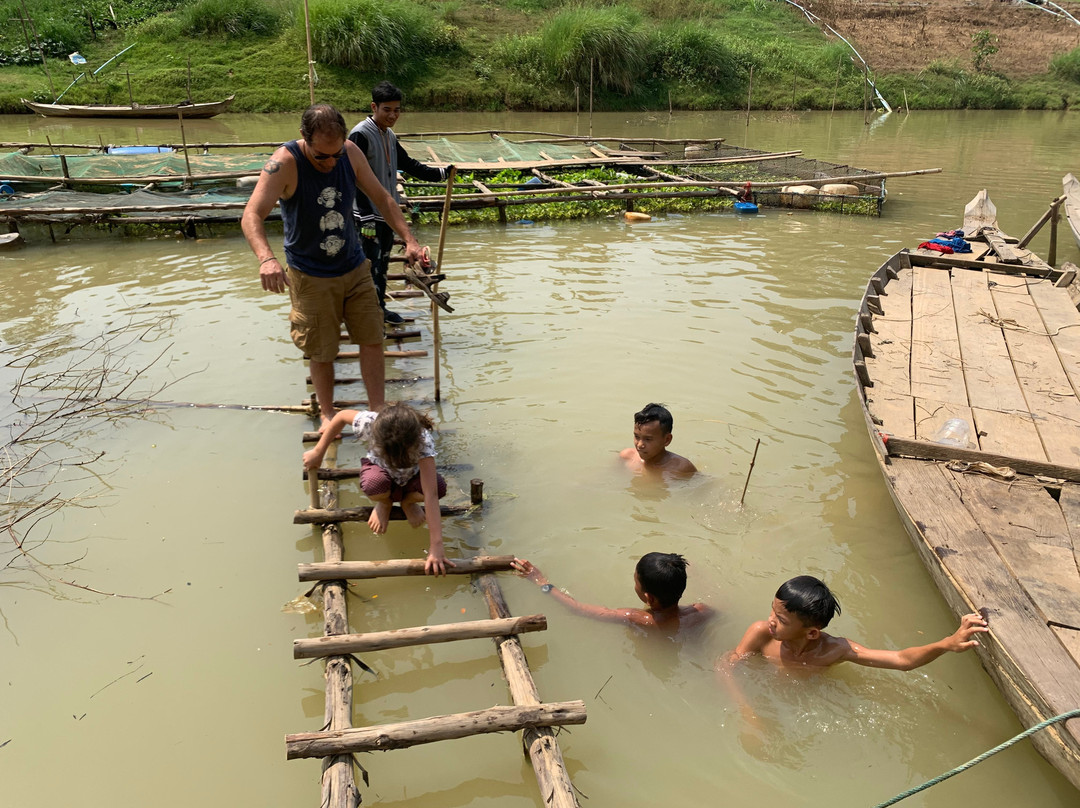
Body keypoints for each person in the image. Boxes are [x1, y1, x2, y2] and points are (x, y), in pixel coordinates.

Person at [241, 103, 426, 428]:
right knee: (322, 348)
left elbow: (383, 198)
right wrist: (267, 259)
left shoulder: (351, 153)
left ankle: (377, 408)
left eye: (335, 155)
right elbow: (251, 214)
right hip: (310, 274)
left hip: (354, 266)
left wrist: (409, 240)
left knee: (372, 336)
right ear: (304, 137)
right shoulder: (284, 162)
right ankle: (328, 413)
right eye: (321, 156)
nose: (329, 163)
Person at [303, 403, 454, 575]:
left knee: (439, 487)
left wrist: (436, 546)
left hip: (411, 477)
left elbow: (431, 494)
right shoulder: (371, 423)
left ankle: (408, 502)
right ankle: (384, 502)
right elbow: (341, 416)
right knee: (374, 484)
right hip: (381, 472)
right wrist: (318, 452)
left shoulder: (422, 440)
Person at [725, 575, 988, 670]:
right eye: (772, 611)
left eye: (780, 619)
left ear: (812, 633)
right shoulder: (761, 634)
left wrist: (946, 644)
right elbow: (729, 666)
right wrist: (747, 711)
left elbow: (902, 660)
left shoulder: (835, 650)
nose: (771, 621)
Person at [349, 81, 452, 325]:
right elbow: (352, 176)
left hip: (387, 212)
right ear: (374, 107)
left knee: (382, 263)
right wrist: (364, 214)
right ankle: (365, 314)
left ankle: (379, 310)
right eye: (387, 110)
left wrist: (439, 174)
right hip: (366, 215)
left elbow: (406, 163)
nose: (393, 115)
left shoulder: (389, 134)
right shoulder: (360, 134)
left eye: (397, 110)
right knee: (368, 266)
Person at [511, 553, 712, 629]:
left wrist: (540, 581)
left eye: (636, 581)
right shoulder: (700, 611)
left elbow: (577, 608)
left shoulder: (638, 618)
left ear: (648, 598)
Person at [619, 403, 697, 478]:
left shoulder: (682, 468)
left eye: (648, 439)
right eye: (637, 437)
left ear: (667, 440)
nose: (639, 445)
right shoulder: (626, 457)